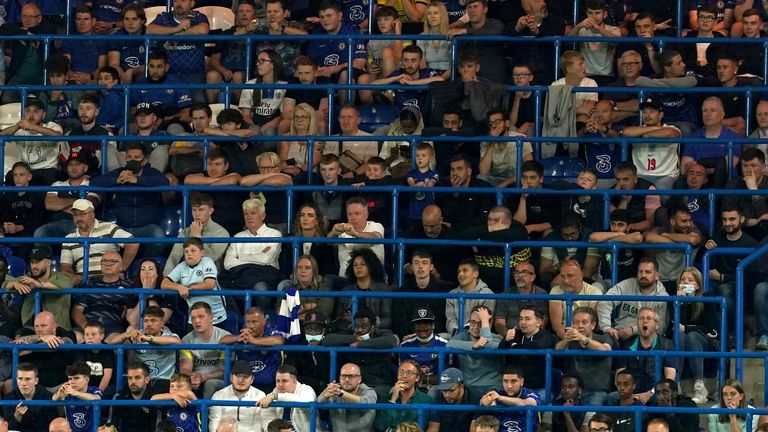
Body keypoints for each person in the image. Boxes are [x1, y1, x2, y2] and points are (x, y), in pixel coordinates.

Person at [89, 143, 168, 257]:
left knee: (158, 236)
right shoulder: (120, 172)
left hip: (147, 227)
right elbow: (95, 182)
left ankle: (145, 264)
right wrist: (116, 180)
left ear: (144, 161)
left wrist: (137, 180)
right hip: (123, 227)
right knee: (103, 242)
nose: (132, 160)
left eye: (136, 158)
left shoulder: (151, 172)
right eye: (129, 157)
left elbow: (164, 181)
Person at [322, 308, 398, 399]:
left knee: (375, 397)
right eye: (357, 326)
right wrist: (355, 338)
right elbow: (327, 340)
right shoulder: (351, 334)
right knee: (333, 394)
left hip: (378, 383)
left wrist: (360, 344)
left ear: (373, 327)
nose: (359, 330)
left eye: (364, 326)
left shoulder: (382, 334)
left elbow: (390, 341)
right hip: (352, 383)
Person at [60, 199, 138, 286]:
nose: (78, 218)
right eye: (75, 215)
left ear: (92, 214)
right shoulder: (69, 238)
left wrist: (121, 269)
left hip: (110, 281)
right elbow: (65, 266)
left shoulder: (108, 228)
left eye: (82, 214)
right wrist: (73, 276)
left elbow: (133, 243)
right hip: (85, 284)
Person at [145, 0, 209, 103]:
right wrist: (177, 28)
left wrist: (175, 35)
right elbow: (150, 30)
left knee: (199, 103)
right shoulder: (164, 17)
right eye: (176, 0)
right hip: (168, 75)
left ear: (192, 3)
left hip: (194, 75)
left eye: (183, 0)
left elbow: (202, 30)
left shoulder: (198, 17)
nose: (179, 3)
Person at [220, 198, 283, 299]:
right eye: (246, 214)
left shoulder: (274, 234)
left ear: (263, 216)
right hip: (240, 279)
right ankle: (236, 315)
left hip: (265, 279)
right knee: (221, 290)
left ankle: (264, 314)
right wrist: (257, 257)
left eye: (253, 213)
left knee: (260, 289)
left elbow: (266, 259)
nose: (249, 217)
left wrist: (241, 257)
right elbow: (228, 263)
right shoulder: (237, 237)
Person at [598, 257, 669, 342]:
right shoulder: (628, 284)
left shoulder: (662, 296)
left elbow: (660, 328)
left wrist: (634, 330)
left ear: (656, 276)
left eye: (648, 272)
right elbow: (605, 301)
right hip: (618, 332)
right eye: (640, 271)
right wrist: (607, 328)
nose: (643, 275)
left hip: (644, 336)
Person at [2, 245, 73, 329]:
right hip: (31, 328)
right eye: (32, 262)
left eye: (38, 262)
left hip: (57, 328)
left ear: (48, 262)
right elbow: (5, 284)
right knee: (19, 336)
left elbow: (66, 285)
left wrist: (40, 285)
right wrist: (15, 284)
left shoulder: (61, 277)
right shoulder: (28, 278)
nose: (34, 266)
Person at [162, 238, 228, 327]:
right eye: (186, 251)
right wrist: (179, 287)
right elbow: (164, 284)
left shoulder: (207, 261)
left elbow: (210, 284)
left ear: (202, 253)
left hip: (215, 316)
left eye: (193, 251)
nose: (189, 254)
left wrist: (190, 288)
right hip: (193, 317)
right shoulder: (182, 266)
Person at [555, 307, 614, 406]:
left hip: (597, 392)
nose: (580, 326)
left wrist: (583, 338)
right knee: (553, 410)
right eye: (576, 322)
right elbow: (557, 350)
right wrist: (566, 339)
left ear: (593, 325)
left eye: (584, 322)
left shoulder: (604, 337)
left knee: (592, 414)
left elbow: (605, 349)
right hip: (572, 391)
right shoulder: (571, 342)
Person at [615, 308, 677, 402]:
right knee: (612, 398)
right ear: (637, 323)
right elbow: (620, 375)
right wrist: (630, 394)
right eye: (641, 318)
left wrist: (650, 393)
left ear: (657, 325)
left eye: (649, 318)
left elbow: (670, 378)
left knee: (661, 398)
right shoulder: (627, 345)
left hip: (655, 392)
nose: (644, 321)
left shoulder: (667, 345)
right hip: (631, 391)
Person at [621, 96, 682, 191]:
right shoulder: (637, 129)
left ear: (661, 115)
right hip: (641, 175)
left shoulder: (671, 128)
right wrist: (654, 129)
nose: (647, 115)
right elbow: (625, 132)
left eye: (652, 111)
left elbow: (670, 133)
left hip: (666, 175)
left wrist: (644, 134)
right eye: (644, 112)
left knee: (665, 191)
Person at [109, 306, 181, 385]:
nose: (149, 324)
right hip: (141, 383)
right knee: (119, 396)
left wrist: (149, 339)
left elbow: (176, 341)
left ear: (162, 323)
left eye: (153, 321)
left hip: (165, 381)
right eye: (146, 321)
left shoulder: (169, 335)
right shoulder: (137, 335)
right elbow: (111, 343)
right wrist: (126, 335)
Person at [0, 98, 65, 186]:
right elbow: (2, 135)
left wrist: (32, 126)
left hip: (47, 169)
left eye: (36, 111)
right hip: (25, 170)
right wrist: (17, 126)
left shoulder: (51, 126)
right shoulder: (20, 130)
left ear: (43, 115)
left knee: (49, 176)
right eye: (28, 111)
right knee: (10, 176)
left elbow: (58, 136)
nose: (31, 115)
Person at [220, 307, 285, 392]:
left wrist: (254, 340)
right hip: (245, 386)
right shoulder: (243, 334)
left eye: (254, 322)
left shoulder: (271, 332)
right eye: (248, 322)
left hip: (270, 387)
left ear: (264, 321)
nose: (251, 326)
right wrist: (238, 337)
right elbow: (222, 340)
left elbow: (279, 340)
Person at [681, 97, 741, 189]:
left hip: (726, 184)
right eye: (705, 111)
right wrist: (708, 169)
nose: (708, 114)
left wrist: (697, 167)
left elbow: (726, 167)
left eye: (713, 110)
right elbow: (685, 169)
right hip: (699, 185)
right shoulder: (693, 138)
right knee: (679, 183)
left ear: (722, 115)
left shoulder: (733, 137)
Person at [164, 193, 230, 274]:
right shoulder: (185, 232)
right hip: (187, 275)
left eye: (201, 210)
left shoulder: (221, 232)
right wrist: (166, 277)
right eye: (194, 210)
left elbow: (211, 258)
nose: (197, 214)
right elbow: (174, 257)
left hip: (210, 277)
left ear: (210, 211)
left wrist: (197, 237)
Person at [644, 203, 703, 293]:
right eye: (684, 221)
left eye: (689, 220)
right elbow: (649, 237)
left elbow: (693, 239)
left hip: (684, 282)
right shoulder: (660, 230)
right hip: (660, 282)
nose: (688, 224)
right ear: (672, 221)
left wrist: (666, 236)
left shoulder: (692, 230)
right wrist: (678, 242)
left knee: (692, 295)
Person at [392, 251, 451, 339]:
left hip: (435, 337)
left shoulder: (443, 291)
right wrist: (417, 335)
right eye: (416, 263)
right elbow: (399, 322)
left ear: (431, 267)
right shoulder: (401, 292)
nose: (420, 266)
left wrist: (424, 335)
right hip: (409, 337)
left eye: (424, 263)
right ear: (412, 267)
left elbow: (441, 321)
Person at [178, 302, 231, 399]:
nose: (197, 321)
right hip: (195, 379)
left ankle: (206, 413)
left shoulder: (224, 337)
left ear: (211, 318)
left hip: (218, 380)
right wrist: (192, 377)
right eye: (193, 318)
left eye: (201, 316)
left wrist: (203, 377)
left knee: (210, 384)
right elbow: (185, 368)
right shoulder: (186, 340)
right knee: (179, 384)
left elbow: (223, 370)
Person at [446, 306, 502, 395]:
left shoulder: (497, 338)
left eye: (480, 323)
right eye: (472, 322)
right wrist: (473, 345)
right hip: (468, 389)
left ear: (487, 324)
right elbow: (449, 344)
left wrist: (485, 321)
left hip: (493, 388)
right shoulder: (463, 337)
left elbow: (491, 345)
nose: (475, 327)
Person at [11, 312, 75, 389]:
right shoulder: (27, 332)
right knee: (9, 384)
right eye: (36, 326)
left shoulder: (64, 333)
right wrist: (41, 337)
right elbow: (18, 341)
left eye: (43, 326)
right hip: (33, 383)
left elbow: (66, 342)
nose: (39, 329)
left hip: (61, 383)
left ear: (54, 326)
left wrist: (31, 349)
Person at [209, 360, 275, 432]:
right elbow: (214, 422)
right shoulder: (219, 395)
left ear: (252, 379)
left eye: (245, 377)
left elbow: (262, 424)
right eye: (238, 376)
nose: (241, 380)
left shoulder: (260, 395)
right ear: (231, 377)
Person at [448, 0, 505, 83]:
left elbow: (494, 33)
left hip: (492, 80)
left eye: (475, 6)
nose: (472, 10)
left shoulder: (496, 25)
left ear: (485, 9)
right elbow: (459, 57)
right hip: (467, 78)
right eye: (469, 7)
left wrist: (466, 31)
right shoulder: (462, 29)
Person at [329, 196, 385, 277]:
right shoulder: (342, 229)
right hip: (346, 281)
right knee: (329, 279)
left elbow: (374, 237)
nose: (353, 217)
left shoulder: (376, 226)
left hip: (373, 280)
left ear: (366, 215)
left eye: (357, 214)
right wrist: (333, 233)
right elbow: (329, 242)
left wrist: (355, 233)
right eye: (350, 214)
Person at [256, 365, 323, 432]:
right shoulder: (275, 392)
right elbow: (268, 416)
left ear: (294, 382)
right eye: (278, 381)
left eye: (284, 381)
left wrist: (276, 396)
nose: (280, 385)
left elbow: (305, 402)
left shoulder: (306, 390)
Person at [373, 360, 434, 432]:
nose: (404, 376)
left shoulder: (427, 400)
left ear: (417, 378)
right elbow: (380, 426)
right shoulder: (385, 400)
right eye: (401, 372)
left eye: (409, 373)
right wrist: (393, 400)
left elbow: (431, 427)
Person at [568, 0, 621, 82]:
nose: (593, 16)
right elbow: (568, 41)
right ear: (586, 14)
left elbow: (615, 41)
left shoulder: (613, 29)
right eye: (590, 13)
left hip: (607, 76)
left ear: (605, 14)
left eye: (597, 13)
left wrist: (597, 28)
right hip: (585, 76)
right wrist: (578, 26)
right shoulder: (581, 30)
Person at [478, 109, 533, 187]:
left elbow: (529, 169)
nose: (494, 126)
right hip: (495, 179)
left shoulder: (521, 139)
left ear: (507, 123)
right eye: (491, 124)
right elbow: (483, 172)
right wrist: (492, 142)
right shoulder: (485, 141)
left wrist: (506, 183)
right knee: (480, 178)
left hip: (516, 179)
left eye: (497, 122)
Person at [474, 367, 540, 432]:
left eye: (513, 381)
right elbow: (485, 401)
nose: (509, 386)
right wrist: (484, 401)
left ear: (522, 381)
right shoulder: (498, 393)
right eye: (505, 381)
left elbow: (529, 403)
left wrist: (501, 398)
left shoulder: (530, 393)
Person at [722, 148, 768, 240]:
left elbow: (765, 218)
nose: (748, 170)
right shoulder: (733, 184)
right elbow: (726, 214)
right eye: (745, 165)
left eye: (753, 166)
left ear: (763, 167)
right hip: (739, 230)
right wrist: (752, 222)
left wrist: (753, 190)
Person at [316, 363, 377, 432]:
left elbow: (366, 403)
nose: (347, 379)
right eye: (343, 376)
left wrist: (342, 394)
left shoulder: (369, 391)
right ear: (339, 378)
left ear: (359, 379)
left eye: (351, 376)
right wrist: (325, 396)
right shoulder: (335, 389)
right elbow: (320, 404)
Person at [239, 49, 288, 135]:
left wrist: (267, 126)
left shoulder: (285, 86)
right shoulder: (250, 84)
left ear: (273, 64)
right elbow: (246, 115)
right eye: (257, 61)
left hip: (273, 124)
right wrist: (255, 128)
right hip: (254, 123)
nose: (258, 64)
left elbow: (283, 115)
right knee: (255, 131)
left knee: (269, 132)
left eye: (262, 61)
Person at [494, 262, 549, 335]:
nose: (519, 276)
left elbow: (544, 319)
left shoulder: (542, 294)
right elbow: (499, 323)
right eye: (516, 273)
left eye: (524, 273)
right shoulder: (505, 295)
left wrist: (534, 335)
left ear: (533, 277)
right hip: (510, 335)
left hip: (534, 335)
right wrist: (508, 336)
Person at [109, 362, 165, 432]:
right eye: (130, 378)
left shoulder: (157, 395)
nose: (133, 382)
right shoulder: (119, 397)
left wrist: (173, 395)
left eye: (137, 378)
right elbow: (110, 425)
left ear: (147, 380)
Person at [277, 254, 335, 321]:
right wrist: (307, 307)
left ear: (314, 271)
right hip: (292, 327)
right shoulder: (287, 289)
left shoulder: (324, 290)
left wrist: (293, 314)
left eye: (307, 268)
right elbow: (280, 312)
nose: (303, 271)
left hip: (315, 328)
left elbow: (320, 314)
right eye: (300, 267)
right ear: (296, 271)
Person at [2, 363, 56, 432]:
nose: (23, 383)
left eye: (27, 379)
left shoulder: (47, 396)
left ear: (36, 381)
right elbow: (7, 429)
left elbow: (53, 423)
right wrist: (17, 416)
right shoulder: (8, 399)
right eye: (20, 379)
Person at [399, 307, 448, 384]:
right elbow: (403, 376)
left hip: (436, 387)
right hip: (412, 385)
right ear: (414, 327)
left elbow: (446, 377)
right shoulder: (405, 346)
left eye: (426, 330)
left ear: (433, 326)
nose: (423, 334)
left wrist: (424, 378)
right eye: (419, 331)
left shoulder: (444, 345)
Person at [446, 259, 495, 335]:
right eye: (459, 272)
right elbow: (451, 320)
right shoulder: (452, 294)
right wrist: (459, 334)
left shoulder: (488, 294)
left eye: (465, 270)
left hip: (479, 336)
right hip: (457, 336)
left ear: (476, 274)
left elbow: (487, 322)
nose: (461, 274)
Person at [52, 361, 103, 432]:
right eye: (70, 379)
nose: (72, 382)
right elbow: (53, 399)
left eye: (76, 378)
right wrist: (59, 395)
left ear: (86, 380)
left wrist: (75, 393)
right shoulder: (67, 391)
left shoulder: (94, 390)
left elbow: (96, 398)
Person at [611, 161, 661, 233]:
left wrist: (629, 227)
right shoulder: (612, 191)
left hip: (641, 230)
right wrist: (624, 200)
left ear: (635, 179)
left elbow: (651, 222)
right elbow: (617, 223)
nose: (621, 184)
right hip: (619, 231)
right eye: (618, 180)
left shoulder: (649, 189)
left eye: (625, 180)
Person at [106, 4, 147, 84]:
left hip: (143, 76)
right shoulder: (117, 37)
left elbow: (153, 65)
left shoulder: (150, 36)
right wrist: (124, 76)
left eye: (134, 19)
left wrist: (132, 71)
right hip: (121, 76)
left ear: (142, 21)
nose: (130, 23)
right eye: (127, 19)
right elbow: (114, 64)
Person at [278, 103, 321, 176]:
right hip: (289, 173)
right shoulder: (286, 138)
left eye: (303, 117)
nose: (299, 120)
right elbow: (283, 161)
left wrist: (299, 170)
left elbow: (314, 161)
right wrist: (289, 168)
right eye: (296, 117)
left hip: (309, 175)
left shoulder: (317, 139)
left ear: (311, 119)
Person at [405, 143, 439, 222]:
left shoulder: (434, 174)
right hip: (414, 214)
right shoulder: (411, 174)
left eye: (423, 155)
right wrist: (415, 185)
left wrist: (426, 184)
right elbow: (410, 182)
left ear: (430, 158)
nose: (420, 158)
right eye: (417, 155)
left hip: (429, 214)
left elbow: (432, 182)